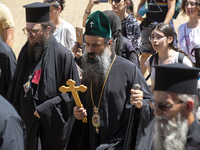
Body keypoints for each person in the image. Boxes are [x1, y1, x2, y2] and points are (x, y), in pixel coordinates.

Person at [73, 11, 154, 150]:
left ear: (109, 43)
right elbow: (85, 103)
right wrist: (79, 112)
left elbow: (151, 104)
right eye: (87, 44)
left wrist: (141, 104)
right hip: (93, 141)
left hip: (119, 144)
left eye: (95, 45)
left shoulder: (129, 70)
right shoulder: (89, 68)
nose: (90, 50)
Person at [6, 2, 80, 150]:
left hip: (48, 131)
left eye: (34, 31)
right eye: (27, 30)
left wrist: (46, 108)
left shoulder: (63, 56)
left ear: (47, 29)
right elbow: (16, 87)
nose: (29, 35)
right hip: (26, 127)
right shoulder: (26, 51)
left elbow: (71, 96)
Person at [152, 63, 200, 150]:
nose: (156, 111)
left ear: (188, 106)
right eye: (155, 104)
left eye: (164, 106)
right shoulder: (162, 138)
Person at [73, 10, 140, 68]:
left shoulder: (126, 45)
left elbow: (134, 72)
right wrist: (79, 57)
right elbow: (91, 70)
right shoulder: (96, 43)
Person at [145, 23, 193, 91]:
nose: (154, 40)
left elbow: (190, 88)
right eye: (152, 37)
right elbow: (153, 87)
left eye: (159, 37)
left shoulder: (181, 60)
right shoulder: (151, 60)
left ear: (170, 39)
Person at [136, 0, 177, 78]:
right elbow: (142, 2)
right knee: (145, 53)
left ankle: (169, 81)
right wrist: (138, 13)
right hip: (148, 24)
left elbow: (171, 8)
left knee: (169, 53)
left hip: (165, 24)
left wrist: (163, 27)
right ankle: (139, 81)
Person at [178, 0, 200, 65]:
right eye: (186, 4)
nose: (188, 7)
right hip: (184, 67)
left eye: (192, 4)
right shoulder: (181, 28)